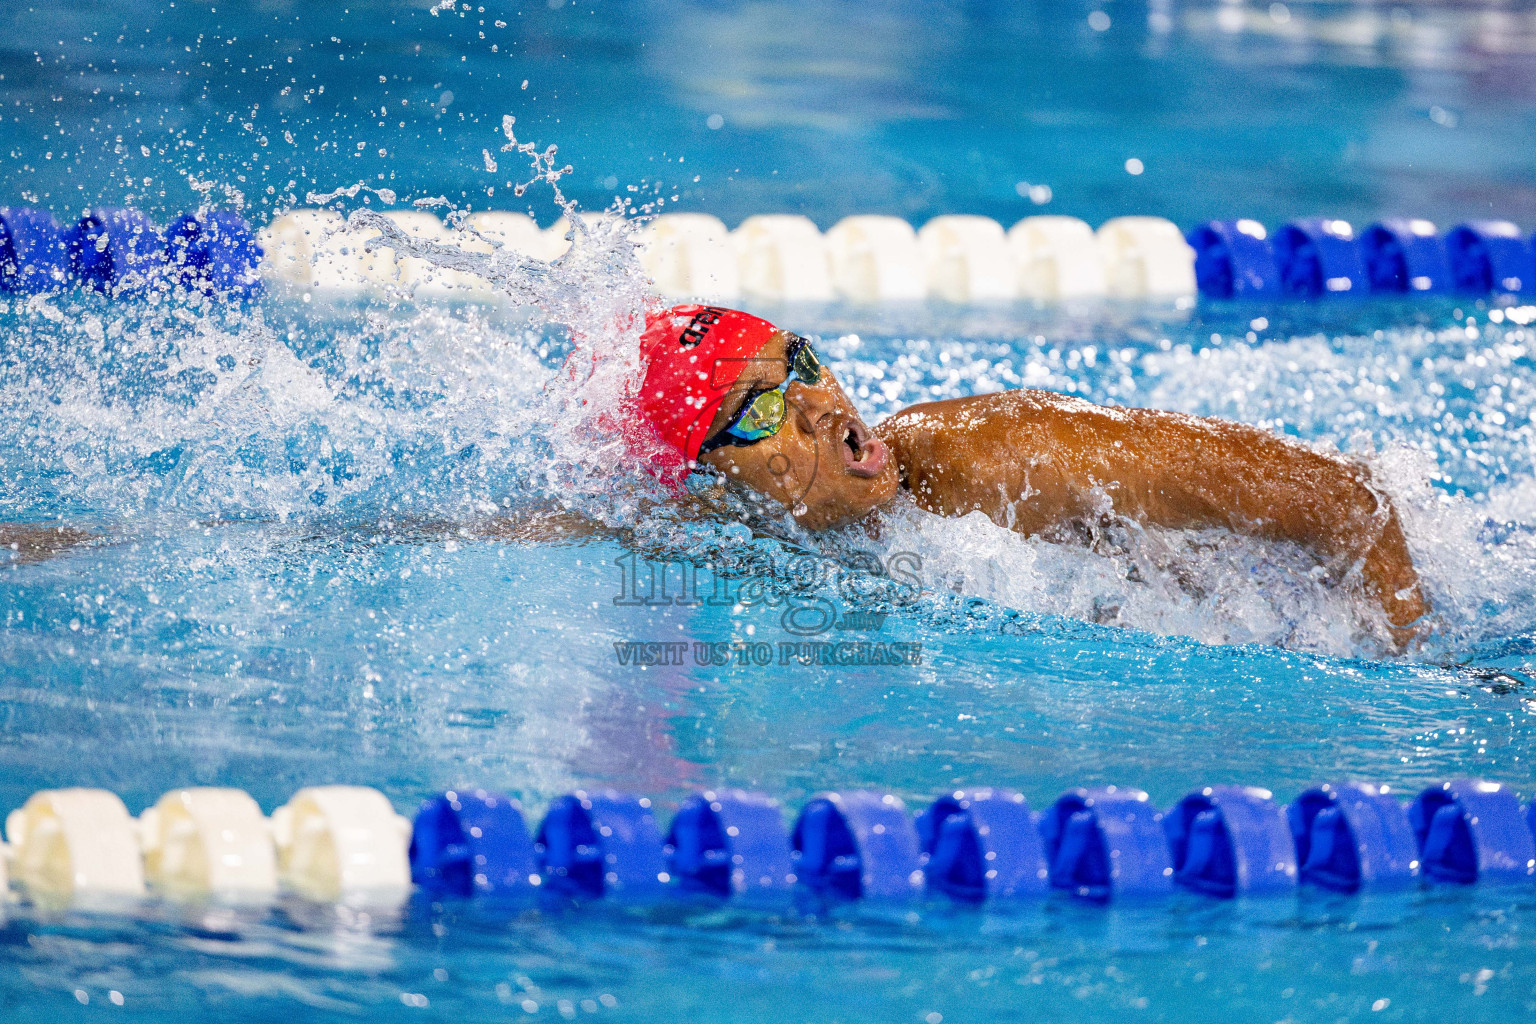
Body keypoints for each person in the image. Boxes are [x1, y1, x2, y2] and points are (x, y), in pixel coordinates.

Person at [636, 304, 1427, 646]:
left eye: (801, 362)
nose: (818, 405)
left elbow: (1341, 497)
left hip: (1327, 614)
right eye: (761, 409)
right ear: (711, 481)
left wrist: (1415, 666)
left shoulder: (989, 458)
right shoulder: (727, 524)